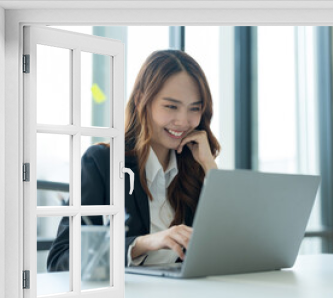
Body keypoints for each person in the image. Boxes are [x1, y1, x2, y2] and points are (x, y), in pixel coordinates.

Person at [47, 50, 221, 271]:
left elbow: (230, 246)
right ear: (142, 100)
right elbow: (60, 260)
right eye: (171, 106)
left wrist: (209, 167)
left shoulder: (195, 170)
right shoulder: (102, 163)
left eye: (194, 108)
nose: (183, 121)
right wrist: (142, 244)